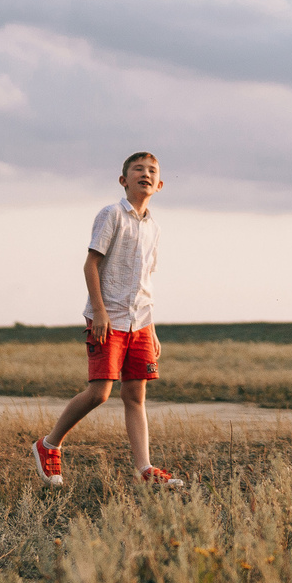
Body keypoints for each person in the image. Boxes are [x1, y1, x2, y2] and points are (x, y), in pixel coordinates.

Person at [32, 152, 184, 488]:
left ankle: (144, 469)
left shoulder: (155, 228)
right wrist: (99, 311)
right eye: (138, 169)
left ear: (159, 185)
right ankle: (49, 444)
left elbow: (145, 281)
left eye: (152, 171)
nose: (145, 174)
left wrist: (151, 329)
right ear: (123, 180)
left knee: (135, 396)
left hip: (140, 322)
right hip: (109, 319)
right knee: (100, 392)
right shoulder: (112, 214)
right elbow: (91, 264)